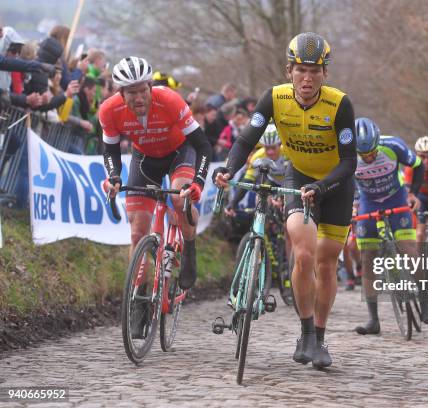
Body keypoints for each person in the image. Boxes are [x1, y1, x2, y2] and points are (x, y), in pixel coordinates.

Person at [214, 32, 356, 369]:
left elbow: (349, 161)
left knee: (325, 263)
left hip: (335, 184)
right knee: (304, 255)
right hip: (300, 178)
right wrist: (229, 169)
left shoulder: (339, 104)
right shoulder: (274, 98)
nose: (307, 78)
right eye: (300, 70)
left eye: (315, 71)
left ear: (325, 74)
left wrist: (323, 187)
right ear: (288, 70)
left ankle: (320, 338)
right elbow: (247, 138)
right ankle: (305, 331)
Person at [100, 56, 213, 298]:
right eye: (132, 93)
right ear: (121, 93)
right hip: (145, 159)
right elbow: (110, 149)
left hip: (180, 152)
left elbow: (203, 146)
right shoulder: (109, 110)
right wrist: (114, 176)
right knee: (137, 230)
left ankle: (190, 247)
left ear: (150, 86)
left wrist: (199, 182)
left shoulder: (170, 100)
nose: (139, 98)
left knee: (181, 196)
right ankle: (137, 297)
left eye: (143, 90)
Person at [351, 117, 428, 334]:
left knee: (408, 247)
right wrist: (352, 206)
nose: (368, 157)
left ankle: (425, 297)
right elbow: (343, 181)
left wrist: (413, 193)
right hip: (368, 201)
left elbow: (417, 165)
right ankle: (373, 319)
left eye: (371, 152)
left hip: (395, 198)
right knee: (368, 257)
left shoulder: (393, 146)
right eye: (363, 154)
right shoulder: (347, 154)